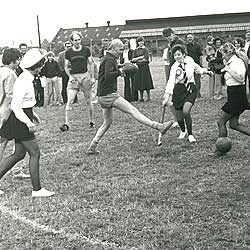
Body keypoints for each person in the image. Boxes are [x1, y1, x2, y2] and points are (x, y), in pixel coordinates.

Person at [86, 39, 173, 154]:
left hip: (102, 95)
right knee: (133, 111)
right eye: (119, 49)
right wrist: (120, 71)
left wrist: (121, 66)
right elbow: (108, 76)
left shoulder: (109, 59)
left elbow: (109, 71)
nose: (121, 51)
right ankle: (158, 127)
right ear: (112, 49)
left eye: (122, 49)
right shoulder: (110, 60)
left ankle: (93, 146)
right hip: (109, 95)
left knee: (107, 123)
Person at [0, 48, 55, 197]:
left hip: (23, 116)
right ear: (36, 65)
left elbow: (25, 103)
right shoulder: (24, 81)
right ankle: (37, 189)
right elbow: (16, 106)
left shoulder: (27, 78)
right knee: (35, 152)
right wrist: (28, 122)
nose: (42, 66)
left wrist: (33, 114)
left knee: (18, 154)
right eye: (41, 64)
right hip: (20, 120)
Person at [162, 44, 212, 143]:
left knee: (186, 111)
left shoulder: (190, 61)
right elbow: (171, 81)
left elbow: (198, 69)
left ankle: (190, 134)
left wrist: (206, 72)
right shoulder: (174, 67)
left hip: (190, 89)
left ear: (184, 54)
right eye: (175, 55)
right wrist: (167, 96)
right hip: (178, 91)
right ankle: (183, 131)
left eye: (179, 54)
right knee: (179, 118)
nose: (177, 57)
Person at [216, 42, 250, 155]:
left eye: (223, 53)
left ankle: (220, 151)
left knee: (221, 122)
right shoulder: (230, 61)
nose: (222, 56)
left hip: (237, 95)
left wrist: (228, 70)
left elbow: (241, 79)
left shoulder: (237, 62)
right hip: (233, 94)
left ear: (228, 52)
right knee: (233, 124)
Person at [59, 31, 96, 131]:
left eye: (78, 39)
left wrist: (92, 77)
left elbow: (91, 63)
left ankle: (91, 121)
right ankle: (67, 123)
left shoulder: (86, 50)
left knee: (89, 100)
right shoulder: (68, 52)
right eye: (75, 40)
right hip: (74, 77)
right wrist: (70, 76)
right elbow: (66, 66)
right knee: (70, 100)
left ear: (81, 39)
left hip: (85, 76)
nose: (77, 42)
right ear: (71, 41)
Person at [0, 48, 22, 167]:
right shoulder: (10, 73)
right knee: (4, 142)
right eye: (18, 60)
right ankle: (14, 169)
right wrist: (5, 116)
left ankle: (16, 169)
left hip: (3, 109)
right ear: (13, 60)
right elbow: (10, 96)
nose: (19, 62)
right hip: (6, 111)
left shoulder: (2, 71)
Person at [131, 36, 154, 102]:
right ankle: (141, 97)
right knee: (139, 82)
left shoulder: (145, 49)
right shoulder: (136, 50)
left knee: (146, 82)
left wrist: (137, 59)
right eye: (139, 41)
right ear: (137, 42)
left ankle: (148, 97)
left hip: (145, 67)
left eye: (142, 41)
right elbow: (132, 59)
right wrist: (140, 58)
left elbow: (146, 58)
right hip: (138, 68)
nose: (141, 43)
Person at [162, 40, 178, 127]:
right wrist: (167, 93)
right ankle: (176, 120)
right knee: (170, 101)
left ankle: (182, 121)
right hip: (172, 77)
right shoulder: (167, 51)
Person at [185, 33, 203, 98]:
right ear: (186, 39)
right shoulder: (185, 46)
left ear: (193, 38)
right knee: (189, 80)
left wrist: (201, 64)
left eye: (191, 37)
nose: (190, 38)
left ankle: (197, 94)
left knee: (197, 80)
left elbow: (200, 55)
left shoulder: (197, 45)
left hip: (197, 65)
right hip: (188, 66)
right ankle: (190, 93)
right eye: (188, 37)